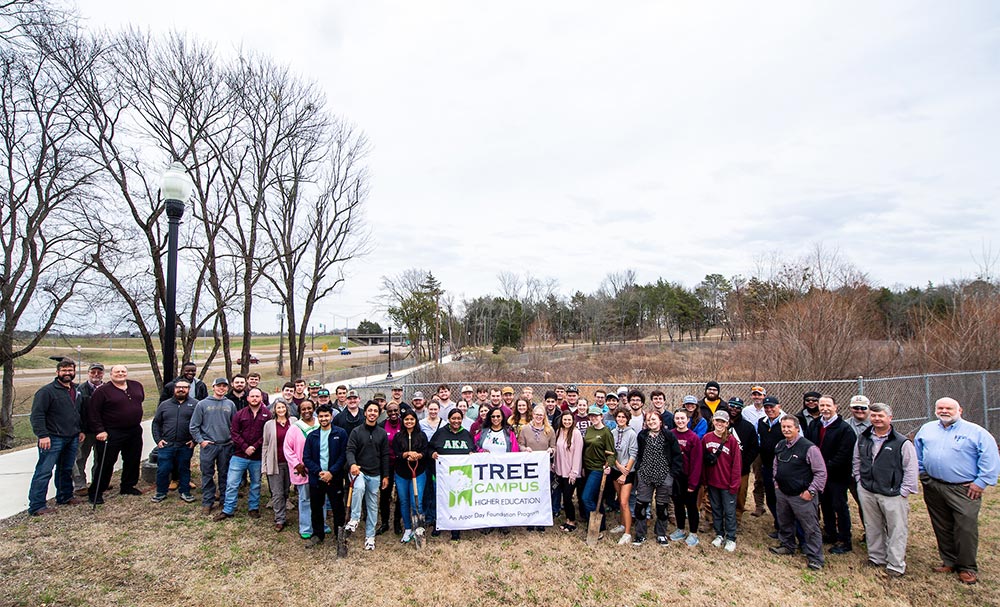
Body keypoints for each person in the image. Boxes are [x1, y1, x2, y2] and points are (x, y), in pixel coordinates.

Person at [915, 397, 999, 585]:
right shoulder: (927, 429)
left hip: (964, 489)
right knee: (941, 525)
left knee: (965, 528)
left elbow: (990, 457)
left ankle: (967, 567)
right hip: (934, 485)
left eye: (949, 408)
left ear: (959, 410)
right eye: (940, 408)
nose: (944, 411)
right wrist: (923, 474)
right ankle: (949, 561)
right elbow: (918, 452)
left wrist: (981, 482)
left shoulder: (976, 432)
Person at [853, 402, 918, 577]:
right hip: (868, 489)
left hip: (893, 493)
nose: (876, 419)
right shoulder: (864, 437)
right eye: (873, 416)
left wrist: (904, 491)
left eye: (880, 416)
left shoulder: (901, 442)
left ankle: (896, 564)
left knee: (897, 528)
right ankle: (876, 558)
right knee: (872, 525)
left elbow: (911, 468)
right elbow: (857, 460)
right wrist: (860, 481)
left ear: (890, 418)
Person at [769, 416, 827, 570]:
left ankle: (815, 557)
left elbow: (821, 473)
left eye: (789, 427)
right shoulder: (781, 445)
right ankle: (787, 545)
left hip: (802, 495)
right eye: (783, 427)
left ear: (797, 428)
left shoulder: (809, 448)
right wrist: (776, 483)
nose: (786, 430)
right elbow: (776, 465)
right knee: (785, 522)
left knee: (810, 527)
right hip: (783, 492)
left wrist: (811, 491)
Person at [28, 360, 83, 515]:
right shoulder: (46, 392)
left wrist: (80, 430)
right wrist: (43, 435)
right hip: (52, 438)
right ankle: (37, 505)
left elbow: (77, 412)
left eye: (70, 370)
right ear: (58, 372)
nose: (67, 373)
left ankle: (65, 496)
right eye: (64, 370)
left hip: (72, 436)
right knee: (44, 471)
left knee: (65, 469)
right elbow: (37, 415)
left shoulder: (76, 390)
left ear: (74, 371)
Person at [804, 394, 856, 555]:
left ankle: (844, 539)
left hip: (837, 475)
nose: (824, 409)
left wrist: (824, 468)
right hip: (818, 475)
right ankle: (830, 532)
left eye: (828, 405)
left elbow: (844, 454)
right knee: (825, 504)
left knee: (839, 506)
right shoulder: (815, 424)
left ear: (836, 407)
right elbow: (809, 445)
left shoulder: (844, 429)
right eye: (822, 406)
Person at [87, 365, 145, 504]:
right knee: (106, 462)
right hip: (111, 432)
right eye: (117, 372)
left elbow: (139, 401)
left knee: (132, 459)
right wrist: (100, 430)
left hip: (134, 430)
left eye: (123, 371)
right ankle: (96, 491)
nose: (120, 373)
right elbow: (93, 413)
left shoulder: (136, 386)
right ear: (111, 374)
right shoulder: (102, 391)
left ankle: (128, 486)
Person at [215, 387, 271, 521]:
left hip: (257, 456)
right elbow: (234, 433)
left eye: (257, 396)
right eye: (252, 396)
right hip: (239, 455)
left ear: (261, 398)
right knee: (232, 483)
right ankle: (228, 509)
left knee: (256, 484)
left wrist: (255, 446)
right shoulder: (240, 414)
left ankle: (253, 508)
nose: (255, 399)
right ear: (247, 398)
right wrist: (245, 447)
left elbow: (267, 434)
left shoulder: (267, 415)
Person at [633, 410, 683, 546]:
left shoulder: (669, 436)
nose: (651, 422)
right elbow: (639, 454)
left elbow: (677, 456)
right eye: (649, 420)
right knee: (641, 505)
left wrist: (672, 474)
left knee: (662, 507)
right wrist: (639, 468)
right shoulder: (642, 436)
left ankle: (661, 534)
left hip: (664, 475)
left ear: (660, 421)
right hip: (645, 474)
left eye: (654, 420)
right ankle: (640, 534)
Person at [345, 401, 390, 551]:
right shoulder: (356, 432)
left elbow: (385, 455)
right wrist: (352, 464)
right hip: (359, 471)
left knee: (372, 505)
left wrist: (386, 475)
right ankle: (355, 518)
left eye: (375, 411)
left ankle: (370, 537)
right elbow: (350, 450)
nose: (372, 413)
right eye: (369, 410)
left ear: (378, 414)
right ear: (365, 413)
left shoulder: (382, 433)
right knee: (358, 488)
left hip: (375, 474)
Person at [302, 404, 348, 548]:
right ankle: (317, 534)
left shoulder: (340, 434)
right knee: (316, 507)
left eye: (326, 416)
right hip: (317, 478)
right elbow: (306, 458)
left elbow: (343, 455)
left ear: (331, 416)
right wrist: (319, 472)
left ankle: (339, 534)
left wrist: (331, 472)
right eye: (321, 416)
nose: (324, 418)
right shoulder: (312, 436)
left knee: (337, 508)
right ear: (318, 418)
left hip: (334, 478)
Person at [190, 377, 237, 514]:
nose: (221, 388)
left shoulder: (230, 404)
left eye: (224, 386)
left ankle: (224, 500)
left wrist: (232, 439)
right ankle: (208, 501)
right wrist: (201, 441)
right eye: (219, 386)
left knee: (225, 474)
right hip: (209, 446)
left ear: (227, 388)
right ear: (213, 387)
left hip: (226, 445)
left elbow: (234, 425)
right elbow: (194, 426)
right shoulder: (203, 404)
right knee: (207, 474)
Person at [429, 409, 476, 541]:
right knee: (440, 501)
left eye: (458, 418)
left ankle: (456, 529)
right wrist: (432, 454)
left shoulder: (466, 434)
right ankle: (439, 525)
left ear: (462, 419)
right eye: (453, 418)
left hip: (460, 477)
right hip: (442, 476)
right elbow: (430, 448)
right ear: (449, 419)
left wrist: (472, 454)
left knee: (457, 502)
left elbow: (473, 449)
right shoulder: (440, 433)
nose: (456, 421)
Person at [150, 380, 198, 503]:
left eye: (185, 387)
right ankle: (161, 492)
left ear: (189, 389)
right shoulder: (164, 405)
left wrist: (194, 440)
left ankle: (185, 492)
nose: (181, 389)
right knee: (163, 469)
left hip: (185, 444)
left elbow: (200, 424)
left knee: (184, 468)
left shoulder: (195, 404)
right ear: (174, 389)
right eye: (179, 387)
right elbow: (156, 423)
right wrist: (158, 440)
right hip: (167, 444)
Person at [284, 399, 325, 541]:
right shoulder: (295, 428)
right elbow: (288, 449)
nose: (306, 411)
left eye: (309, 408)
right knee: (305, 498)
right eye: (303, 409)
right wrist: (296, 464)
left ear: (314, 409)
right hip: (304, 470)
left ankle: (322, 524)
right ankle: (306, 527)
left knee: (322, 498)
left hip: (320, 469)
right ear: (299, 411)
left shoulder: (321, 424)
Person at [474, 407, 520, 535]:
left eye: (498, 416)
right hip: (486, 472)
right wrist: (481, 451)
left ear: (502, 418)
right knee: (488, 497)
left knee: (503, 496)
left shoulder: (508, 432)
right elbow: (474, 446)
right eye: (493, 416)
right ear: (489, 417)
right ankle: (488, 522)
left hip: (503, 471)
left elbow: (515, 450)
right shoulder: (483, 432)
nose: (495, 419)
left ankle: (503, 523)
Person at [702, 411, 741, 552]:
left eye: (723, 422)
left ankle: (731, 538)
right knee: (716, 509)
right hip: (713, 482)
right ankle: (719, 534)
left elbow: (736, 465)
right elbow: (704, 461)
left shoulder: (731, 441)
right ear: (713, 421)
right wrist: (705, 480)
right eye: (717, 421)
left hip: (727, 483)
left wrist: (734, 484)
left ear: (727, 423)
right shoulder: (706, 438)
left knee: (729, 512)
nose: (720, 424)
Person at [518, 405, 557, 532]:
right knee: (530, 493)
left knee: (543, 493)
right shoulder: (525, 429)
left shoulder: (549, 430)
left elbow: (554, 447)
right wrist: (525, 449)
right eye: (537, 415)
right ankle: (530, 519)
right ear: (533, 415)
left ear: (544, 416)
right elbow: (520, 444)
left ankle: (541, 520)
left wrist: (551, 450)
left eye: (541, 415)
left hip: (544, 468)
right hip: (530, 467)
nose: (539, 417)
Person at [392, 410, 428, 543]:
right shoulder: (398, 436)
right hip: (402, 473)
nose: (409, 422)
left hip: (418, 472)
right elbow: (396, 452)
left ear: (415, 421)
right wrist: (406, 454)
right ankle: (407, 528)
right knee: (404, 501)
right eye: (406, 419)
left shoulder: (422, 435)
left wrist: (419, 455)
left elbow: (425, 451)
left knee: (416, 501)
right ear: (403, 421)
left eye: (412, 419)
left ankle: (417, 527)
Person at [580, 405, 616, 538]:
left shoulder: (606, 432)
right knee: (594, 498)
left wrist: (609, 466)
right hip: (587, 468)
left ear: (601, 416)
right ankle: (602, 525)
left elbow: (612, 453)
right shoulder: (589, 430)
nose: (593, 418)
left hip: (598, 469)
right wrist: (583, 466)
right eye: (591, 416)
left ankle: (594, 526)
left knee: (586, 498)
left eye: (596, 415)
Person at [670, 408, 703, 546]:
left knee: (691, 506)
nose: (680, 421)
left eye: (683, 418)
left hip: (689, 478)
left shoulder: (693, 438)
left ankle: (693, 533)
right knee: (678, 504)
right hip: (675, 477)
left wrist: (693, 483)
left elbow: (697, 462)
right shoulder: (671, 435)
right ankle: (681, 528)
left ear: (688, 420)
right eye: (677, 418)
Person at [262, 401, 297, 531]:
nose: (281, 409)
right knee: (277, 493)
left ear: (286, 408)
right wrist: (264, 465)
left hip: (291, 463)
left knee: (286, 490)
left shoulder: (293, 421)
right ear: (274, 410)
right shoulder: (269, 425)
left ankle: (284, 506)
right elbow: (265, 445)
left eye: (283, 407)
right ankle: (280, 518)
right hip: (275, 462)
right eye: (278, 408)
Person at [756, 395, 786, 536]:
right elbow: (759, 440)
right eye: (766, 407)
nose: (769, 410)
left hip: (784, 467)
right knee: (771, 498)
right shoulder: (762, 422)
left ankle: (787, 528)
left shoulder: (786, 422)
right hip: (768, 465)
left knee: (784, 498)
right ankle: (779, 525)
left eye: (772, 407)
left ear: (779, 406)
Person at [726, 397, 759, 525]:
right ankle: (713, 518)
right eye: (732, 406)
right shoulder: (719, 423)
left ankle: (737, 519)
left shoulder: (748, 427)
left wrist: (743, 463)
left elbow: (754, 448)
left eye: (737, 407)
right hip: (722, 467)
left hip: (741, 469)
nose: (734, 409)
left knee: (740, 494)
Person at [73, 362, 104, 495]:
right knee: (81, 458)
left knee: (101, 458)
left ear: (103, 374)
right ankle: (80, 485)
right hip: (85, 431)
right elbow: (76, 411)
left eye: (99, 372)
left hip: (102, 430)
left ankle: (98, 481)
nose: (96, 375)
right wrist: (79, 430)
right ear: (88, 373)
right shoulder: (80, 390)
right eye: (93, 372)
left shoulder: (107, 388)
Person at [609, 408, 638, 544]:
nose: (620, 419)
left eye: (623, 417)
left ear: (627, 419)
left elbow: (633, 453)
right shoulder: (613, 432)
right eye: (618, 417)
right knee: (620, 499)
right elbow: (610, 451)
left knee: (624, 502)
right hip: (616, 469)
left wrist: (625, 471)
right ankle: (622, 525)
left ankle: (627, 533)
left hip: (628, 472)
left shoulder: (631, 434)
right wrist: (618, 466)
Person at [554, 411, 584, 533]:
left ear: (573, 421)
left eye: (569, 420)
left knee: (567, 497)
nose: (567, 422)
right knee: (563, 498)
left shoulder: (576, 434)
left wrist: (574, 472)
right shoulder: (558, 432)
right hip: (560, 471)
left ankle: (572, 521)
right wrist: (554, 465)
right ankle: (567, 520)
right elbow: (557, 450)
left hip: (571, 472)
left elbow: (578, 454)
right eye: (565, 420)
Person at [379, 402, 404, 535]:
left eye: (395, 410)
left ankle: (397, 523)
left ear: (399, 410)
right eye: (390, 411)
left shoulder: (404, 424)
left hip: (401, 464)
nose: (393, 413)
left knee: (400, 494)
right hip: (386, 464)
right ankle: (384, 523)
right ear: (386, 412)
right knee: (385, 494)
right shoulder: (382, 425)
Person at [744, 385, 768, 517]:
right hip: (754, 448)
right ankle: (759, 505)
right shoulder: (746, 411)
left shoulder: (771, 409)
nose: (757, 397)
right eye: (754, 394)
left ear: (764, 396)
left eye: (759, 394)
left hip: (769, 448)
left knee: (770, 477)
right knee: (757, 477)